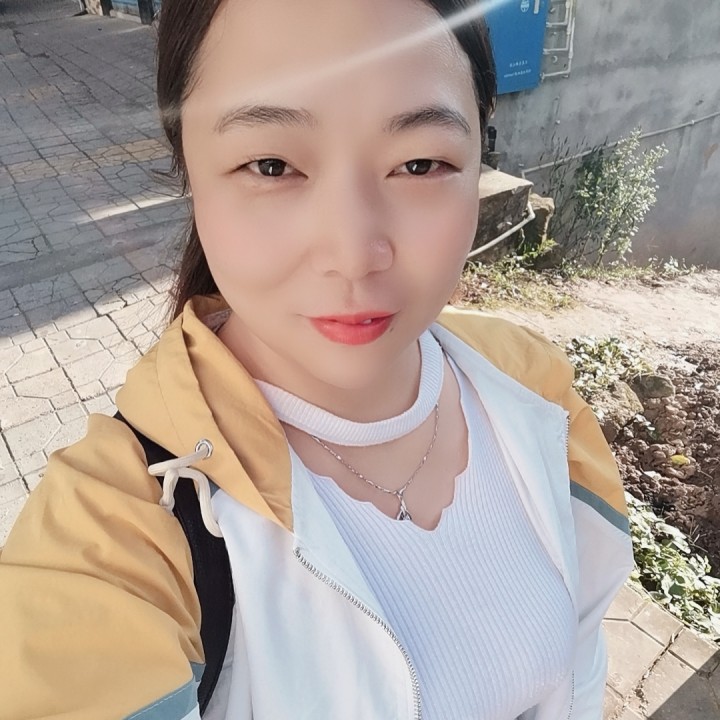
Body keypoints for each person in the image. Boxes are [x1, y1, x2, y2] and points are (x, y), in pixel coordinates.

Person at [0, 0, 633, 718]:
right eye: (272, 165)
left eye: (419, 163)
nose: (354, 253)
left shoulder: (534, 392)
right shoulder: (114, 534)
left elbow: (580, 666)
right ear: (189, 168)